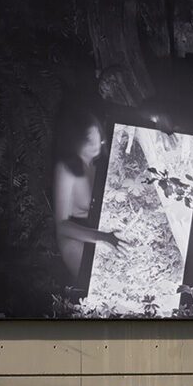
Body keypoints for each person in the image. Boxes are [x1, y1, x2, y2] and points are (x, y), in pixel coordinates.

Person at [52, 105, 122, 281]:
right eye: (88, 139)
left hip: (100, 229)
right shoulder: (65, 170)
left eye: (97, 135)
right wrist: (101, 237)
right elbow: (62, 225)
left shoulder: (99, 164)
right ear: (73, 141)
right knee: (98, 286)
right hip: (75, 236)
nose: (96, 144)